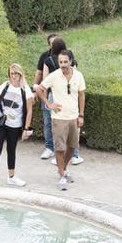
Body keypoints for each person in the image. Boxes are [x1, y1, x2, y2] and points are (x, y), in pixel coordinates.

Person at [38, 49, 86, 191]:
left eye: (65, 62)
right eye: (60, 62)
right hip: (58, 118)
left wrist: (81, 115)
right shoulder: (54, 76)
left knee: (72, 146)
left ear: (71, 61)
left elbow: (82, 95)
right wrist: (48, 103)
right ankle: (62, 176)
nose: (63, 64)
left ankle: (63, 169)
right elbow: (40, 89)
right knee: (59, 148)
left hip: (74, 116)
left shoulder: (78, 76)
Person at [35, 35, 83, 166]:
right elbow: (76, 79)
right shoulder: (69, 58)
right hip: (70, 97)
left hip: (53, 96)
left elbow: (44, 79)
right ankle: (74, 155)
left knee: (50, 125)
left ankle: (51, 150)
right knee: (72, 127)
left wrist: (46, 101)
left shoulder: (48, 59)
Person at [0, 63, 33, 188]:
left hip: (15, 124)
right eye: (11, 73)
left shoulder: (26, 90)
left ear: (20, 74)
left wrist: (26, 128)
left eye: (16, 73)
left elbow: (29, 111)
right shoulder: (5, 85)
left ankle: (11, 177)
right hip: (1, 122)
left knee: (11, 150)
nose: (13, 76)